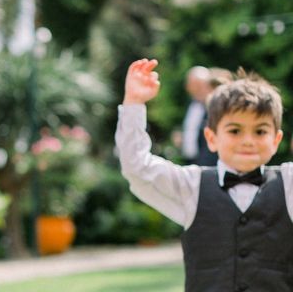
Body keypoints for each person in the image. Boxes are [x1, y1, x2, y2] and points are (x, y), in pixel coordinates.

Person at [117, 58, 292, 291]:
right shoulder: (192, 186)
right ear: (211, 138)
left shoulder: (289, 183)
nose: (248, 141)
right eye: (235, 130)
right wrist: (134, 103)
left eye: (260, 131)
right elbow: (137, 167)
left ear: (276, 140)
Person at [180, 66, 216, 165]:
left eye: (198, 85)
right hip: (188, 160)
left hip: (206, 163)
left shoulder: (214, 106)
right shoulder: (190, 103)